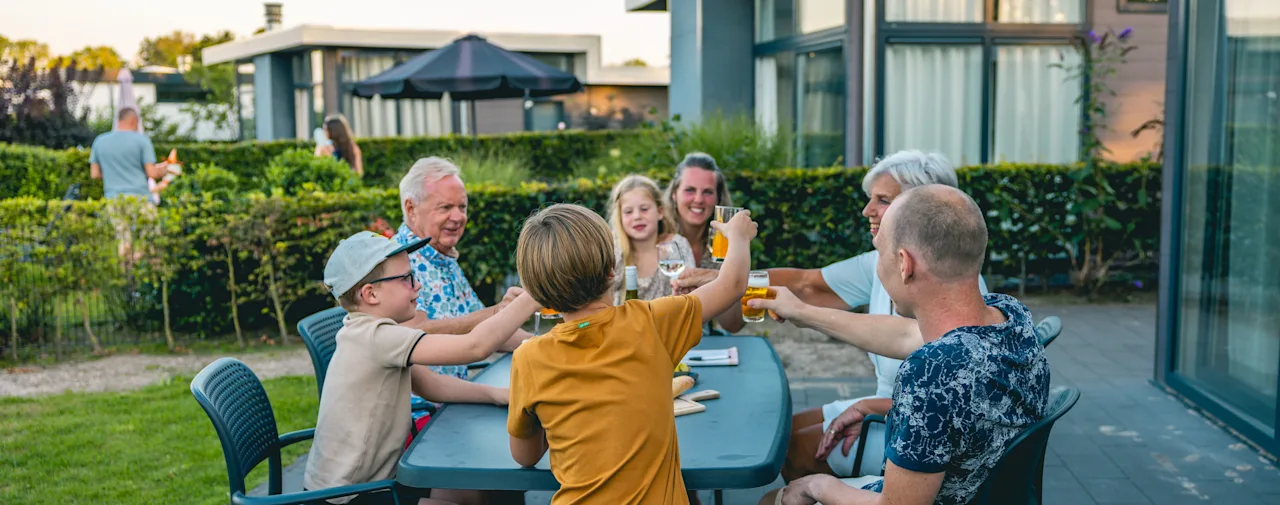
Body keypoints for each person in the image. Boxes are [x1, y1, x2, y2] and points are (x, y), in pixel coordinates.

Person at [674, 151, 987, 481]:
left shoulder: (954, 289)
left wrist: (868, 410)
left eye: (882, 200)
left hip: (915, 430)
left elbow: (948, 400)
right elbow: (808, 284)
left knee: (793, 452)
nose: (867, 211)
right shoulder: (882, 262)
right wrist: (720, 281)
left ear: (921, 209)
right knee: (781, 436)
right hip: (895, 408)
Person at [759, 185, 1050, 505]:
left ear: (903, 264)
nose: (877, 264)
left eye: (879, 253)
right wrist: (803, 313)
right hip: (988, 492)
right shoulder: (1010, 317)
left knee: (775, 499)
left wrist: (816, 486)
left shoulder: (930, 372)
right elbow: (904, 335)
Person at [506, 203, 758, 505]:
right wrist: (739, 237)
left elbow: (525, 456)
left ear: (537, 291)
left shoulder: (529, 359)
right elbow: (732, 284)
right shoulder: (652, 322)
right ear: (612, 271)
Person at [304, 231, 538, 505]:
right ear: (370, 293)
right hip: (349, 497)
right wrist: (533, 296)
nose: (418, 287)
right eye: (406, 279)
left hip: (372, 485)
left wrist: (497, 395)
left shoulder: (371, 333)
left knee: (478, 489)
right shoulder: (377, 337)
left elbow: (431, 386)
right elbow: (475, 347)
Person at [394, 157, 530, 382]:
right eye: (445, 207)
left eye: (462, 207)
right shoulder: (398, 263)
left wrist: (543, 340)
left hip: (455, 400)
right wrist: (498, 311)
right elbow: (413, 334)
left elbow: (488, 328)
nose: (458, 217)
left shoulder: (442, 257)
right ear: (411, 209)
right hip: (424, 410)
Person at [89, 107, 169, 259]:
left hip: (114, 198)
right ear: (134, 121)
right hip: (140, 198)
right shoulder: (142, 140)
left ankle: (127, 275)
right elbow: (151, 173)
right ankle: (151, 274)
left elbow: (95, 174)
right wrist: (164, 171)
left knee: (124, 241)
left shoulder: (100, 141)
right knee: (152, 240)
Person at [606, 174, 696, 303]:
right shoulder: (614, 252)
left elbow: (691, 295)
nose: (637, 216)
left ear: (660, 212)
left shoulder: (676, 245)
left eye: (644, 209)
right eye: (628, 212)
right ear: (620, 217)